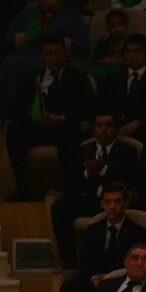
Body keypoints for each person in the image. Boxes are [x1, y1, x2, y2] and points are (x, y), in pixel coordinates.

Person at [5, 33, 95, 198]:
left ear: (65, 54)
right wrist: (35, 117)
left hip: (64, 128)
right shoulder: (32, 78)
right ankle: (22, 188)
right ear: (43, 55)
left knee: (70, 132)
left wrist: (60, 118)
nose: (53, 57)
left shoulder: (79, 78)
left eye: (57, 52)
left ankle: (69, 190)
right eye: (49, 53)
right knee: (14, 131)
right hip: (37, 128)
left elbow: (88, 109)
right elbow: (17, 108)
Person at [50, 110, 143, 267]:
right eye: (99, 125)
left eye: (108, 125)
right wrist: (87, 173)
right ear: (93, 128)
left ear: (116, 128)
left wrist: (103, 171)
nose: (103, 129)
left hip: (115, 204)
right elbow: (68, 182)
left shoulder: (128, 151)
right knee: (60, 206)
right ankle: (69, 260)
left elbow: (130, 179)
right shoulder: (82, 151)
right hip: (87, 201)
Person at [59, 182, 146, 292]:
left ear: (126, 203)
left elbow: (137, 265)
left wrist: (108, 278)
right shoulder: (93, 230)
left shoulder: (137, 232)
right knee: (68, 288)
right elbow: (85, 263)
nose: (112, 207)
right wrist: (94, 278)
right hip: (95, 281)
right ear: (102, 204)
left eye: (117, 201)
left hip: (121, 280)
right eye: (108, 202)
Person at [100, 34, 146, 144]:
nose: (132, 56)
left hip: (145, 132)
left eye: (137, 51)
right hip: (114, 130)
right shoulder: (112, 78)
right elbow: (104, 106)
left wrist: (139, 123)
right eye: (128, 52)